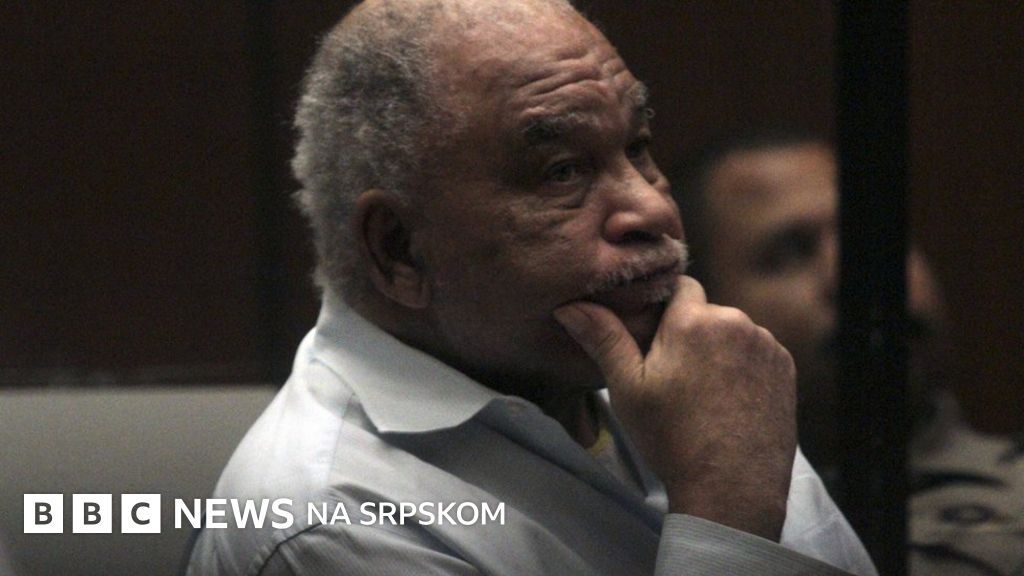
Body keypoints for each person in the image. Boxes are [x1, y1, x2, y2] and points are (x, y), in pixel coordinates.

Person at [187, 2, 876, 574]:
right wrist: (726, 518)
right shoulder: (327, 522)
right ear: (399, 250)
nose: (652, 208)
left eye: (637, 147)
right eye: (561, 172)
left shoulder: (690, 371)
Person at [673, 130, 1024, 576]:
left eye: (874, 235)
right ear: (697, 308)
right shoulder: (647, 531)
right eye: (791, 252)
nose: (861, 276)